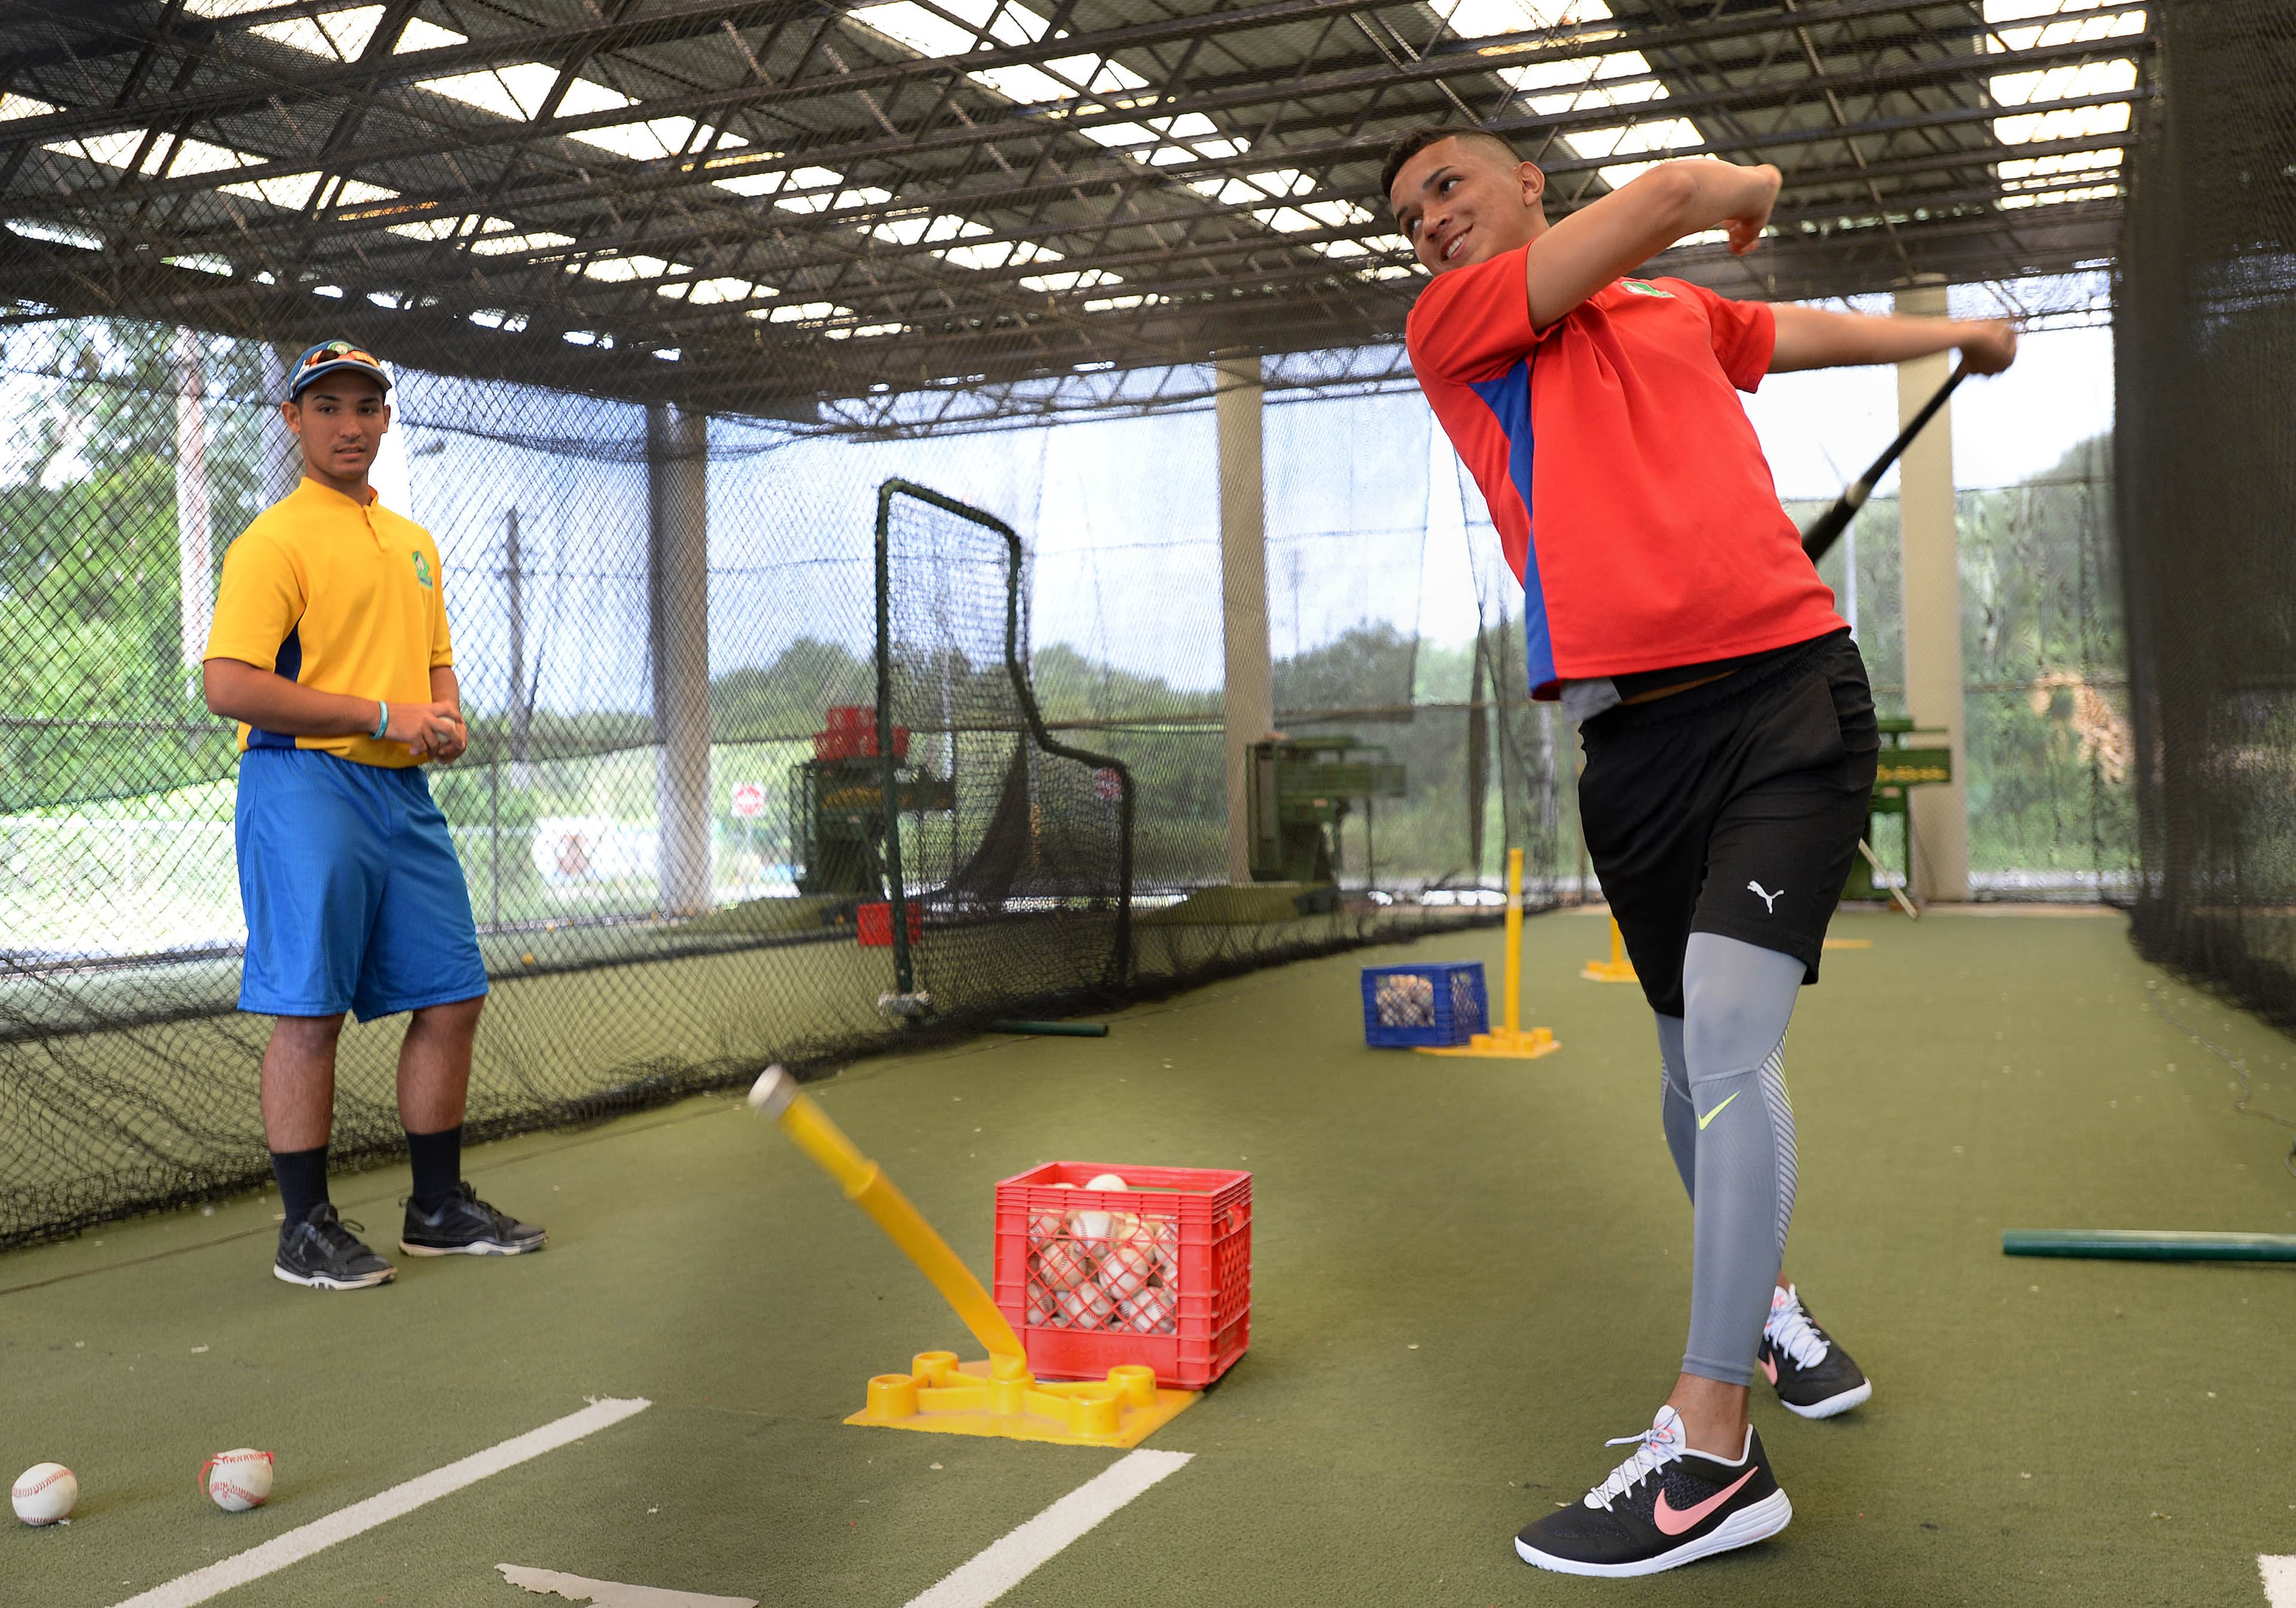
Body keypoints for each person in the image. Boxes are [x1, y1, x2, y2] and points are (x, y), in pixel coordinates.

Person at [1383, 127, 2016, 1577]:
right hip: (1630, 749)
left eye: (1449, 187)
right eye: (1411, 212)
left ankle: (1714, 1443)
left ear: (1528, 182)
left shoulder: (1673, 311)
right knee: (1684, 1067)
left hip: (1789, 695)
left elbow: (1801, 331)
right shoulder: (1461, 322)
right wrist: (1755, 191)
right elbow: (1679, 195)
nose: (1428, 221)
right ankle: (1770, 1304)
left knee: (1730, 1047)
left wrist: (1959, 333)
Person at [202, 340, 544, 1290]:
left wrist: (443, 718)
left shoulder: (415, 543)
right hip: (304, 784)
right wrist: (379, 715)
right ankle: (304, 1228)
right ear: (293, 420)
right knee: (308, 1010)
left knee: (452, 992)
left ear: (387, 420)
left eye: (366, 407)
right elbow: (228, 684)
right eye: (328, 408)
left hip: (403, 792)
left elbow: (435, 665)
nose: (349, 424)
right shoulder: (272, 540)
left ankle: (436, 1208)